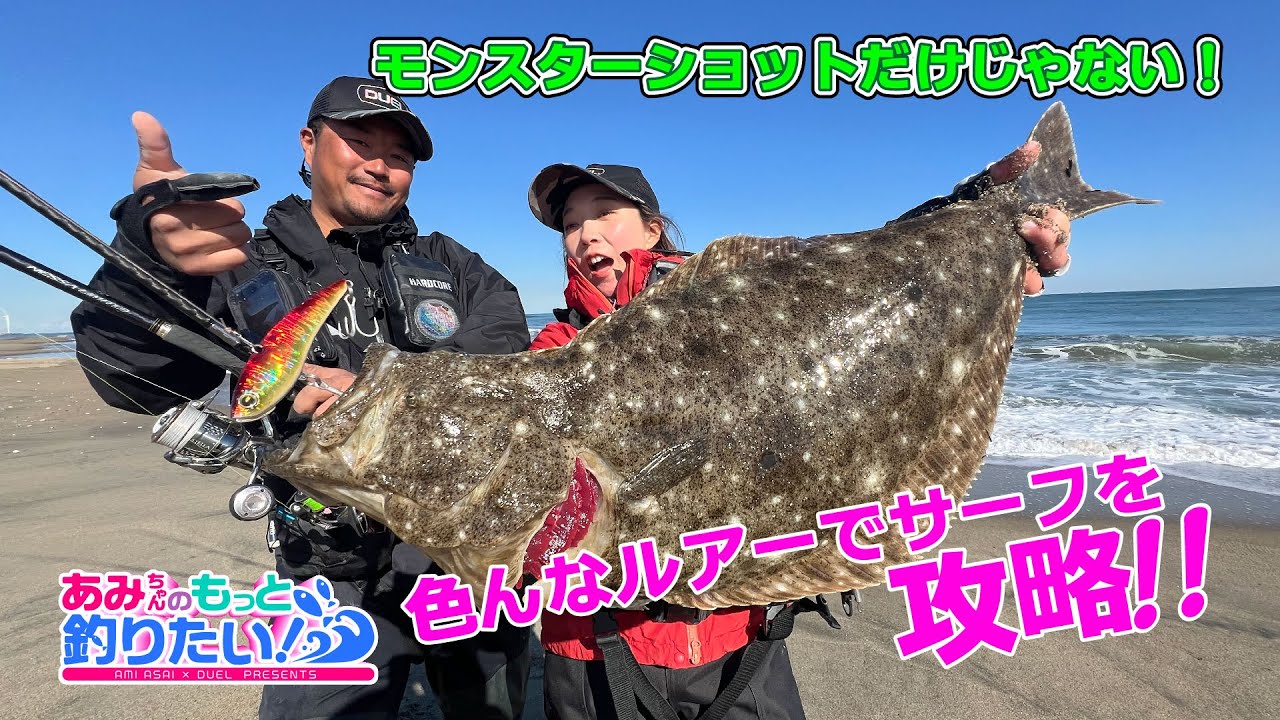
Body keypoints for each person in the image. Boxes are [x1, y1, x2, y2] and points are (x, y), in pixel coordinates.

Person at [523, 152, 1072, 720]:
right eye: (570, 224)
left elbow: (855, 281)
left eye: (604, 213)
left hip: (742, 644)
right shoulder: (551, 352)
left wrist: (980, 213)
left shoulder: (735, 302)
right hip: (594, 651)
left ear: (652, 229)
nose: (586, 235)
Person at [70, 76, 532, 720]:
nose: (380, 166)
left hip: (466, 552)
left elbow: (507, 340)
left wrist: (383, 387)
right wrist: (148, 264)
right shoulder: (239, 261)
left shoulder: (451, 262)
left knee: (499, 706)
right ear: (309, 144)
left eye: (399, 156)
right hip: (327, 562)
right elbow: (127, 376)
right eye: (361, 143)